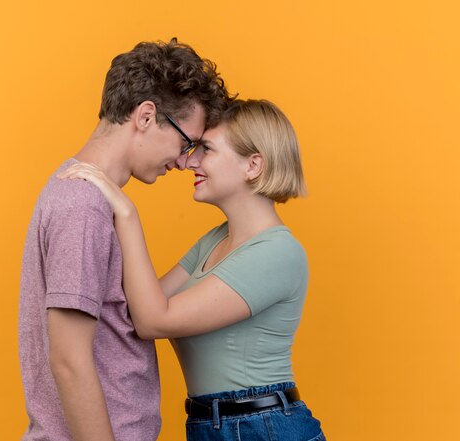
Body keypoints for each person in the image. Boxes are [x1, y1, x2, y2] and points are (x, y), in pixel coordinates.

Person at [58, 99, 326, 441]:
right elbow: (136, 307)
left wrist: (126, 214)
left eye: (207, 150)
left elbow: (154, 320)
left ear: (253, 165)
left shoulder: (278, 253)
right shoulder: (214, 241)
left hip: (264, 428)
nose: (189, 161)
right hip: (209, 425)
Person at [18, 39, 232, 441]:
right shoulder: (82, 205)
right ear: (147, 116)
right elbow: (68, 359)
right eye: (187, 143)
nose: (186, 161)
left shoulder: (92, 198)